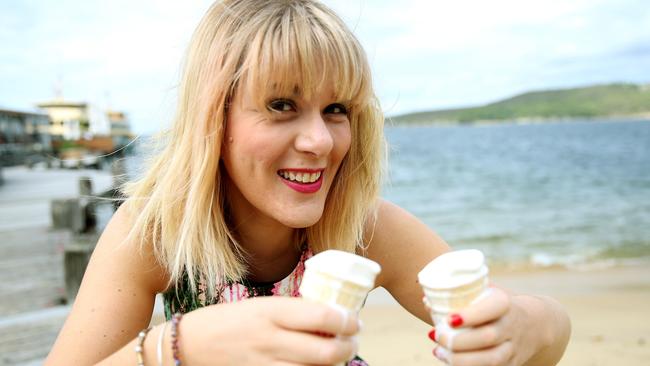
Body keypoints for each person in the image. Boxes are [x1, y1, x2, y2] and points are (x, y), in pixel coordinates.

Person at [46, 1, 571, 365]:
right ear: (215, 118)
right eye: (281, 105)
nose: (320, 141)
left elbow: (546, 338)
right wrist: (179, 346)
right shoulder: (158, 234)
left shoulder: (365, 227)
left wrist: (525, 327)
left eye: (336, 109)